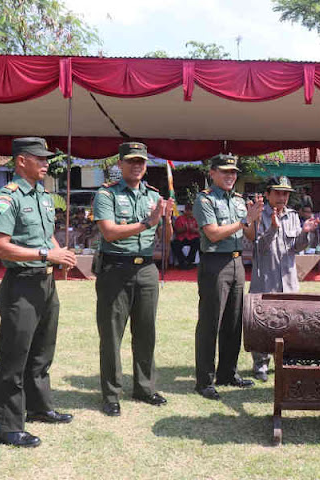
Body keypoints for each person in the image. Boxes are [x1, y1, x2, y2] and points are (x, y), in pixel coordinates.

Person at [0, 137, 77, 447]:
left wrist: (61, 255)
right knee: (14, 357)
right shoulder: (8, 197)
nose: (46, 163)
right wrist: (46, 255)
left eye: (46, 158)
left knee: (42, 351)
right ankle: (7, 426)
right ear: (20, 161)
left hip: (45, 282)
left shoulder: (43, 195)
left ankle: (39, 407)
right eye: (39, 158)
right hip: (21, 285)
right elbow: (0, 246)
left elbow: (47, 235)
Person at [93, 142, 174, 417]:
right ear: (120, 163)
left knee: (146, 332)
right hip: (116, 268)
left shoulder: (154, 196)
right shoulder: (107, 194)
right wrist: (147, 223)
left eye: (141, 161)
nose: (137, 166)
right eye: (131, 161)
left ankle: (144, 387)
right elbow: (109, 233)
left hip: (146, 270)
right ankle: (111, 394)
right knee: (112, 335)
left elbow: (165, 238)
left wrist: (167, 220)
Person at [193, 154, 263, 401]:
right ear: (212, 173)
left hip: (236, 262)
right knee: (211, 322)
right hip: (215, 262)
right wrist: (244, 220)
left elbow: (252, 236)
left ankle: (227, 373)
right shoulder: (205, 199)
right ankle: (204, 380)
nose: (230, 176)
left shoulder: (239, 200)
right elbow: (212, 234)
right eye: (225, 171)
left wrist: (253, 219)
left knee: (234, 322)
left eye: (233, 172)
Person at [245, 176, 319, 381]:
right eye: (277, 192)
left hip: (288, 280)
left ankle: (284, 361)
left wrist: (305, 233)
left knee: (288, 324)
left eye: (285, 193)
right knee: (262, 324)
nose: (282, 197)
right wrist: (273, 229)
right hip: (265, 280)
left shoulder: (293, 216)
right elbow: (257, 248)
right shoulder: (258, 215)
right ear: (267, 194)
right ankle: (260, 364)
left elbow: (297, 247)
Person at [171, 202, 200, 269]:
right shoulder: (180, 218)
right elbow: (177, 231)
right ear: (187, 211)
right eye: (191, 211)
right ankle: (183, 261)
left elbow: (200, 230)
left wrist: (194, 230)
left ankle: (188, 261)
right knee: (175, 244)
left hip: (192, 237)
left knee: (197, 242)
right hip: (182, 238)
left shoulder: (195, 219)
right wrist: (185, 228)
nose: (192, 213)